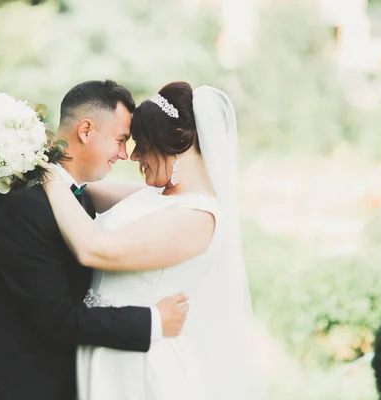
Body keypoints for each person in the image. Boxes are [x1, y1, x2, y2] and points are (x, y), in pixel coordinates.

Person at [0, 80, 189, 400]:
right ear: (85, 130)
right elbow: (57, 318)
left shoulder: (70, 194)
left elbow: (151, 199)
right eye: (121, 140)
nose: (124, 154)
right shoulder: (25, 205)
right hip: (19, 387)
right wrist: (153, 321)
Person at [43, 82, 262, 399]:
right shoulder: (157, 196)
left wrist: (45, 174)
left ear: (175, 147)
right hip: (108, 348)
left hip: (140, 365)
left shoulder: (198, 218)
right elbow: (81, 187)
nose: (133, 156)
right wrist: (36, 155)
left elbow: (95, 251)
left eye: (142, 145)